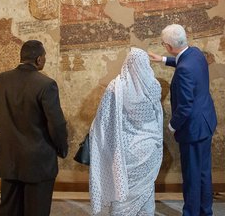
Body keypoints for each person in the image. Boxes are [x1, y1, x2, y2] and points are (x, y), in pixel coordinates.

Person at [0, 40, 68, 216]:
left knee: (9, 208)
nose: (44, 61)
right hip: (38, 160)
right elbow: (56, 123)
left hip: (8, 156)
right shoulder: (46, 85)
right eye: (44, 57)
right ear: (38, 59)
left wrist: (6, 125)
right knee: (37, 209)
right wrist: (61, 148)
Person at [149, 24, 217, 216]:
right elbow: (183, 60)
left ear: (169, 46)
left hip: (193, 129)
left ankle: (191, 213)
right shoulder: (195, 54)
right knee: (203, 172)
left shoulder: (184, 70)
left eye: (163, 45)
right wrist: (163, 60)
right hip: (206, 122)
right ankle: (205, 212)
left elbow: (185, 107)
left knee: (192, 176)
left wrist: (171, 125)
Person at [89, 48, 163, 215]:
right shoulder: (154, 86)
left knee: (124, 192)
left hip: (125, 151)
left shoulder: (115, 87)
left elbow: (103, 121)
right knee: (146, 191)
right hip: (149, 148)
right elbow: (158, 115)